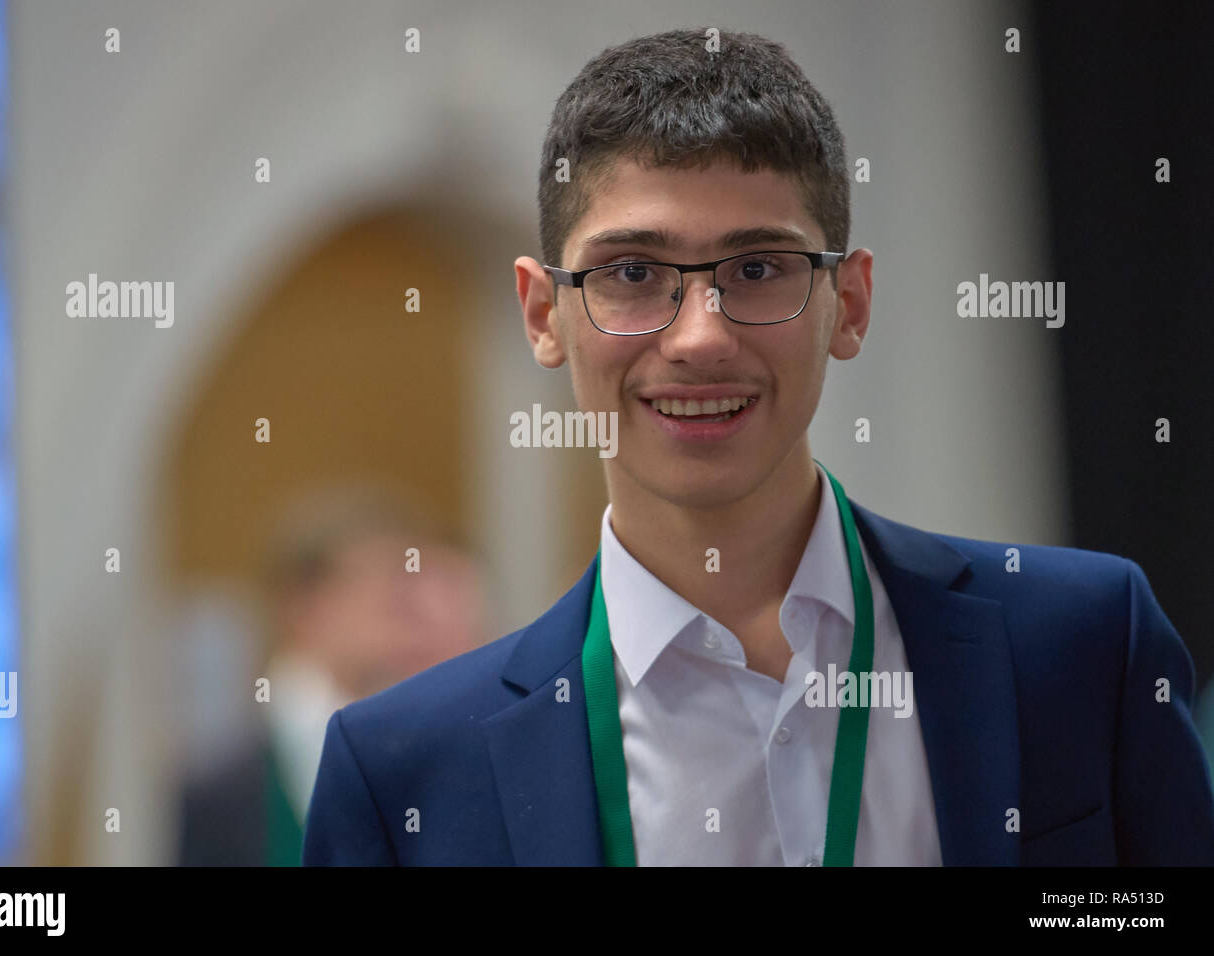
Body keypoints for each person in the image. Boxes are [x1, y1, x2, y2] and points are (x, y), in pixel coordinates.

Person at [303, 28, 1214, 866]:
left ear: (847, 305)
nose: (700, 337)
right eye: (631, 274)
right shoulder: (403, 771)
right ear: (545, 313)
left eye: (756, 269)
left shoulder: (1082, 644)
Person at [178, 484, 485, 865]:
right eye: (378, 580)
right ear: (306, 602)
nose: (400, 603)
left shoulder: (422, 746)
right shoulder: (222, 784)